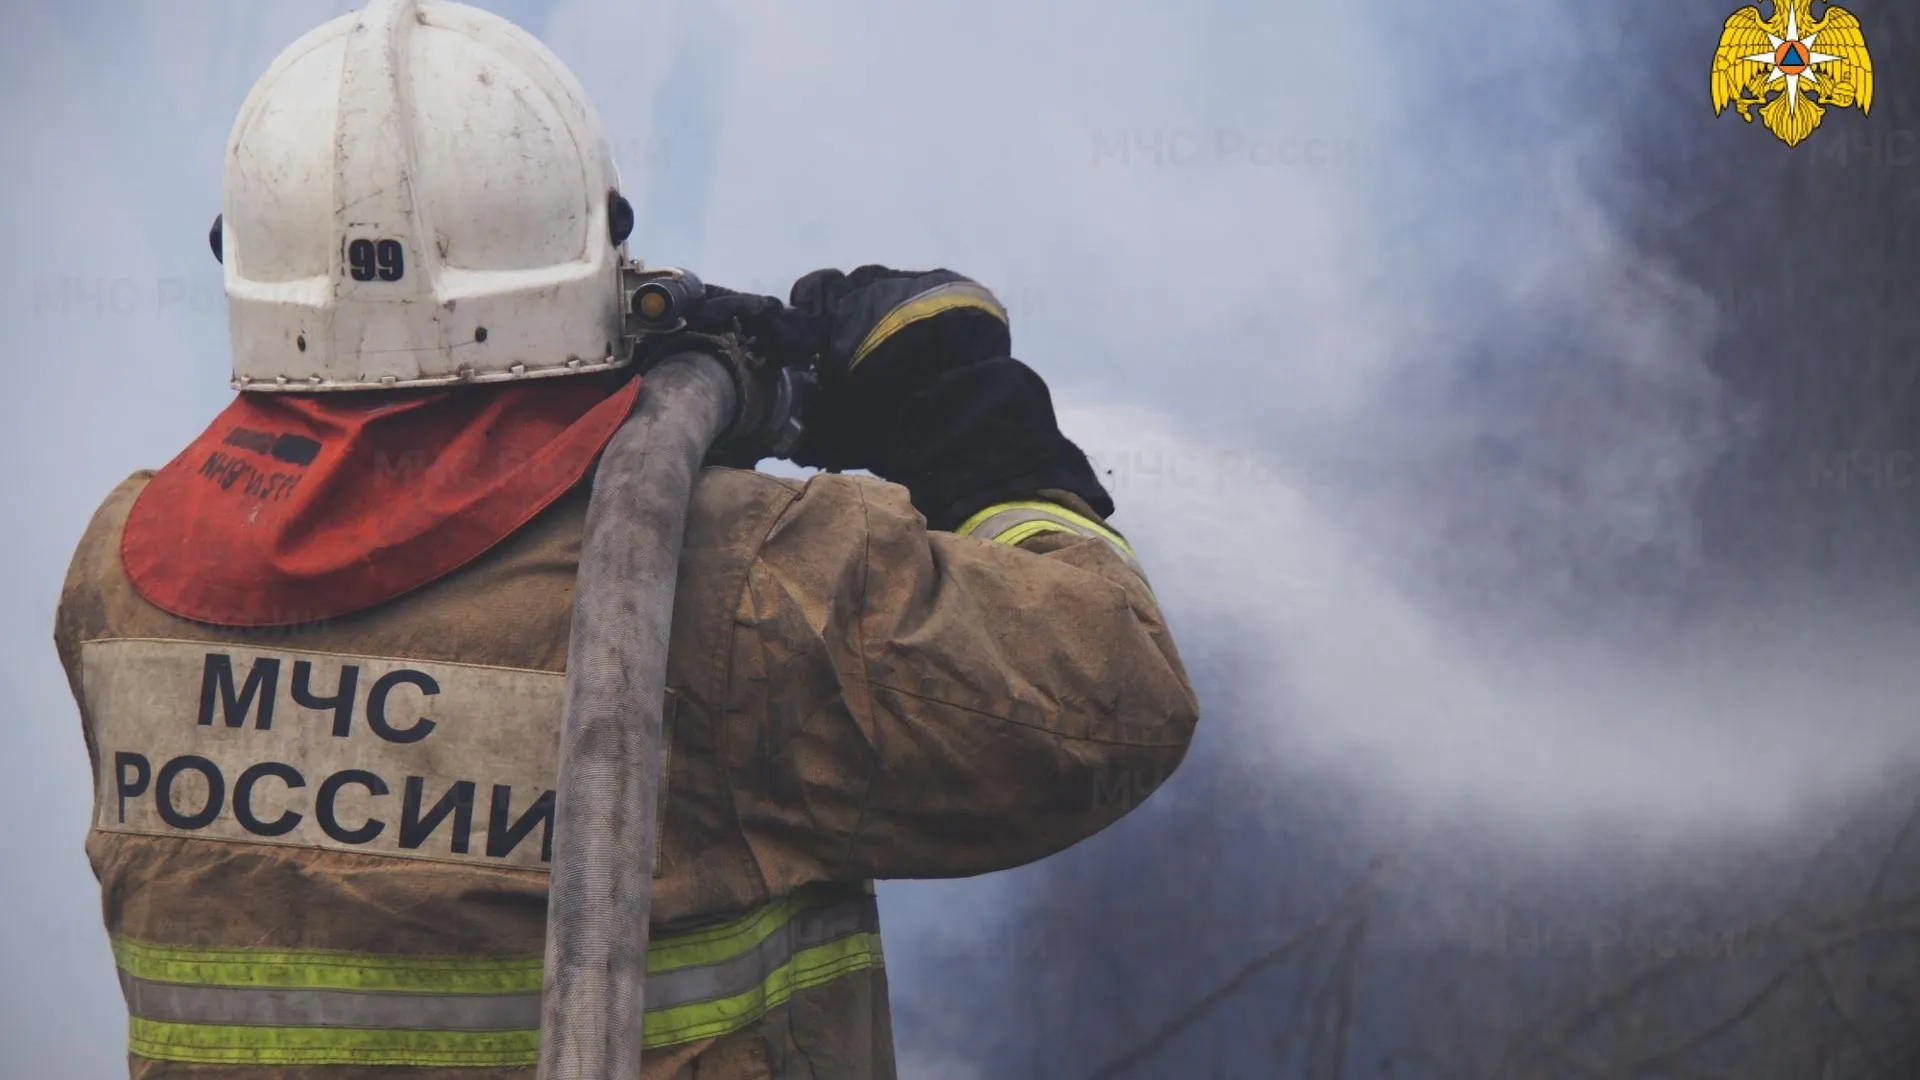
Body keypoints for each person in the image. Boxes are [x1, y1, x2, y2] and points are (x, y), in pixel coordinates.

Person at [52, 1, 1199, 1077]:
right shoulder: (741, 588)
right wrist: (966, 425)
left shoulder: (119, 580)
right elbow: (1114, 698)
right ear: (598, 245)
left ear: (246, 265)